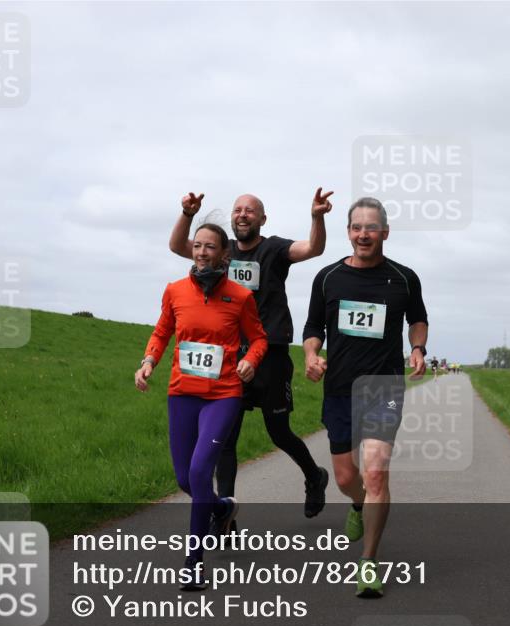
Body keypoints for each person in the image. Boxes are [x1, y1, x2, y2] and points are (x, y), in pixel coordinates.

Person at [169, 189, 332, 523]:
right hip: (229, 355)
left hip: (268, 353)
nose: (242, 215)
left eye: (250, 211)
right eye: (237, 210)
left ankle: (314, 476)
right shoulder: (221, 250)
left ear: (262, 219)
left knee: (279, 431)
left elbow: (313, 248)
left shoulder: (273, 248)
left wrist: (317, 217)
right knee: (226, 439)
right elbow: (178, 247)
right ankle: (224, 516)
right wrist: (186, 216)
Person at [303, 197, 428, 598]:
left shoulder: (404, 278)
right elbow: (312, 326)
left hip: (383, 386)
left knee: (375, 473)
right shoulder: (327, 278)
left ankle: (369, 563)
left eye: (371, 227)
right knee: (345, 478)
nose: (363, 234)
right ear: (348, 232)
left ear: (385, 233)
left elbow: (418, 318)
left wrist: (417, 347)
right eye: (356, 227)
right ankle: (357, 505)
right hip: (339, 388)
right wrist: (311, 355)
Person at [135, 222, 267, 590]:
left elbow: (258, 339)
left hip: (223, 394)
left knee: (197, 473)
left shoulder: (240, 296)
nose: (202, 253)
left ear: (224, 254)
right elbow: (162, 331)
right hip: (182, 393)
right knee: (183, 479)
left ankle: (193, 563)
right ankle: (222, 508)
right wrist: (148, 362)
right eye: (198, 247)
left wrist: (251, 361)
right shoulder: (175, 291)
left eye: (210, 247)